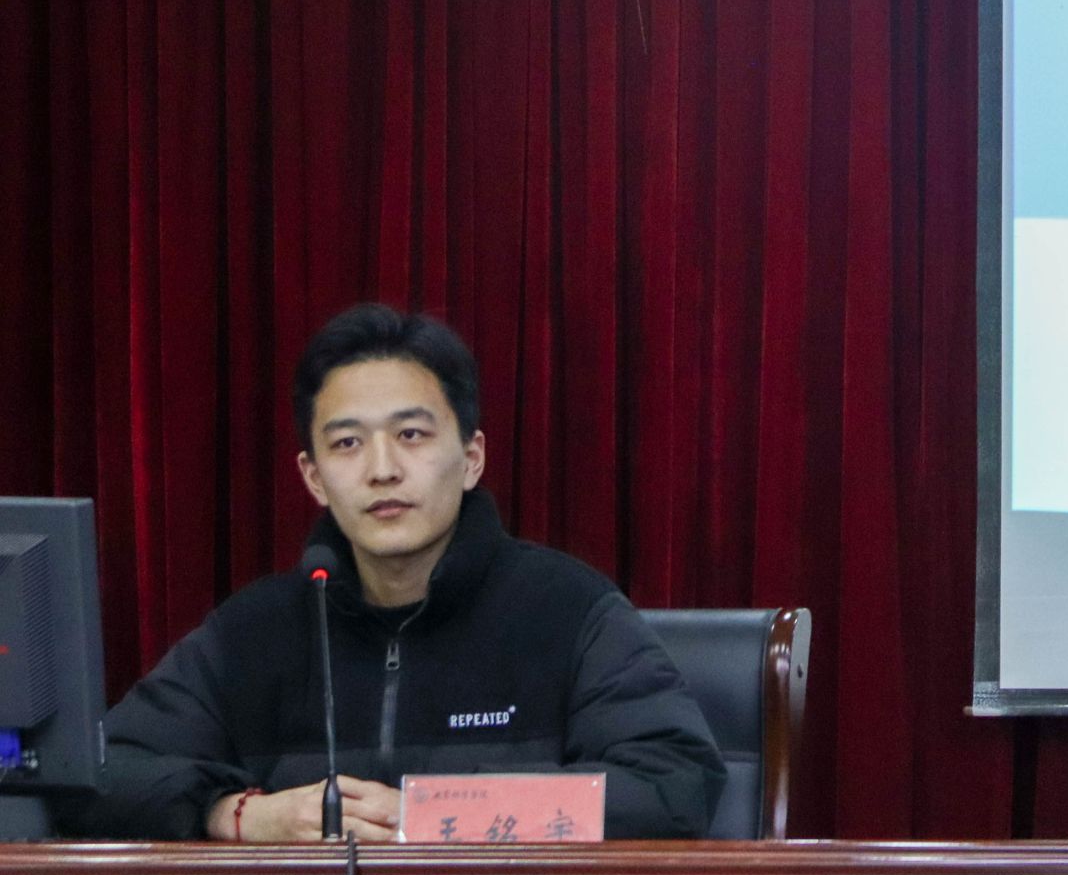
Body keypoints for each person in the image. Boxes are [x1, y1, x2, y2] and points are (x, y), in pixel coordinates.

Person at [77, 305, 725, 841]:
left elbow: (676, 785)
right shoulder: (254, 631)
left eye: (411, 435)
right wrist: (236, 815)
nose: (382, 469)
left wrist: (437, 816)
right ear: (313, 477)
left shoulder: (567, 610)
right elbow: (93, 777)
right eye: (347, 443)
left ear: (471, 457)